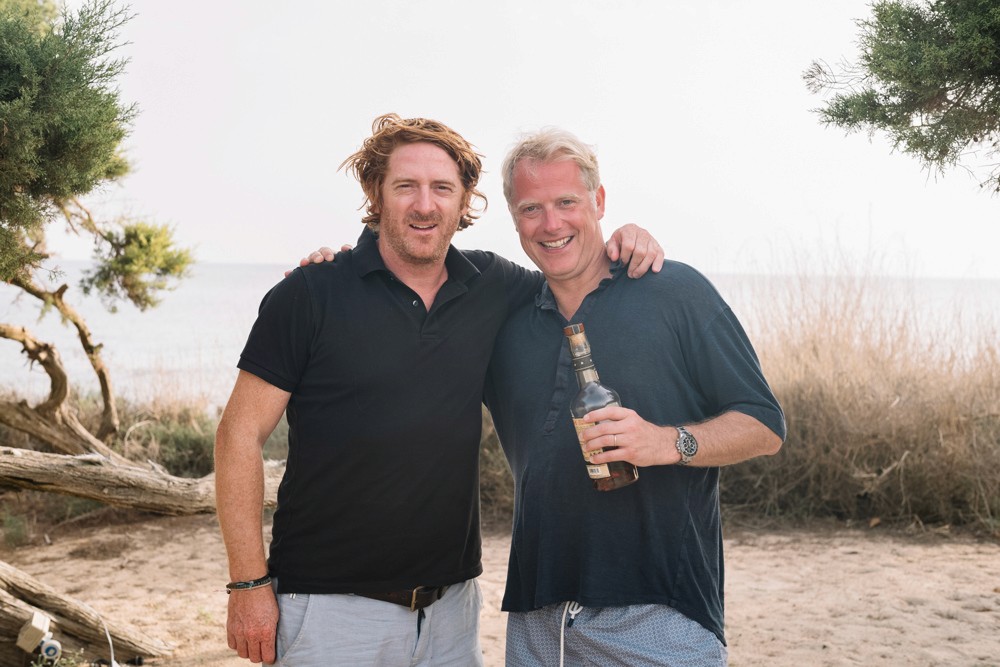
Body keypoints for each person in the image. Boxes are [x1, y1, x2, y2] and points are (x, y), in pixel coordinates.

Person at [213, 113, 663, 666]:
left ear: (464, 199)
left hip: (451, 614)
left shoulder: (495, 286)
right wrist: (248, 584)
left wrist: (625, 238)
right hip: (329, 612)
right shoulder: (310, 294)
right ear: (375, 193)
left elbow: (574, 275)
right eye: (406, 186)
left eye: (442, 188)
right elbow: (238, 435)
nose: (425, 205)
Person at [481, 129, 786, 666]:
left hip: (659, 614)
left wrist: (667, 442)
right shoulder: (504, 318)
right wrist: (335, 268)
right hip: (536, 620)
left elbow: (764, 425)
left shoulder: (674, 292)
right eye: (531, 209)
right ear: (514, 218)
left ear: (598, 201)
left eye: (566, 202)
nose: (551, 224)